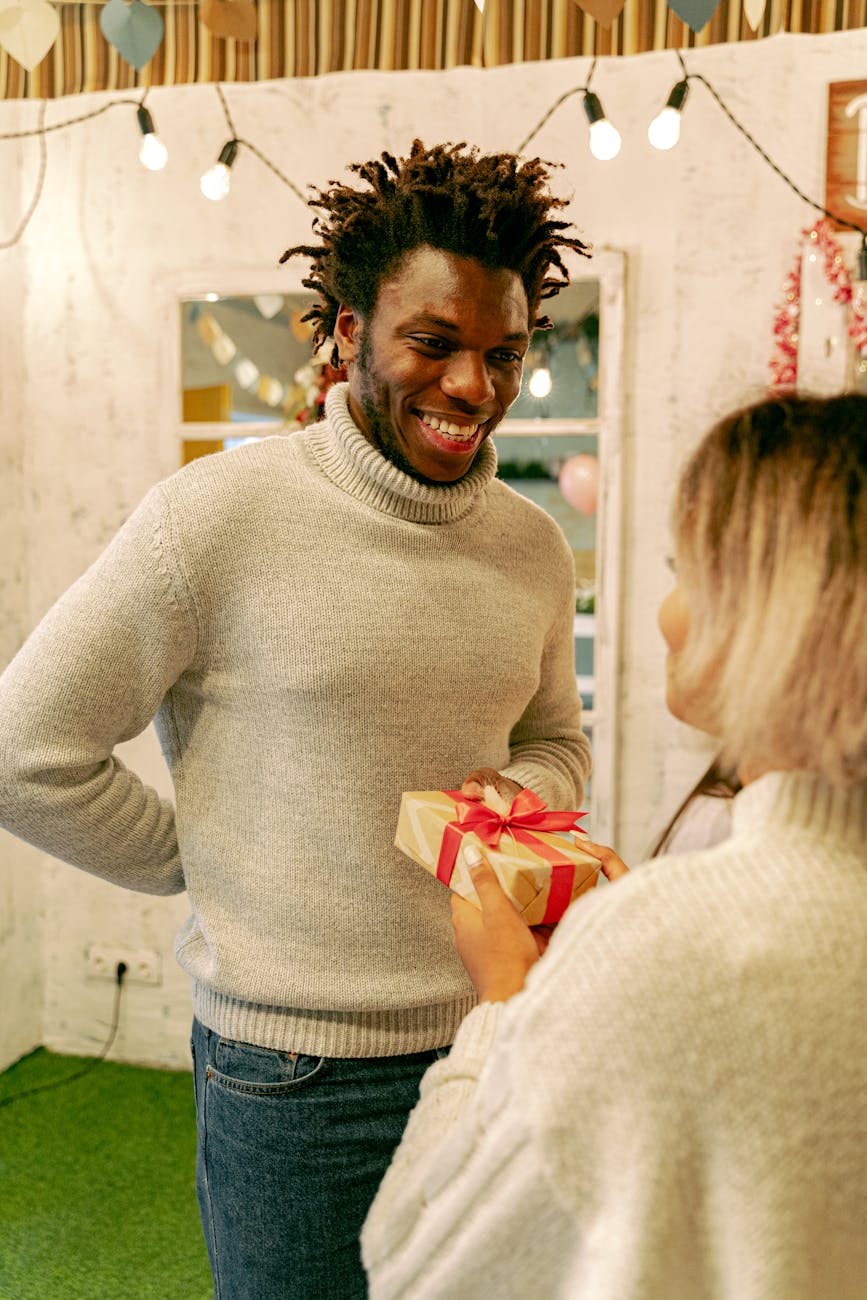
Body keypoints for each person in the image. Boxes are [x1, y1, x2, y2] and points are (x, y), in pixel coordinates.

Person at [0, 141, 592, 1298]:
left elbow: (557, 742)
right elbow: (25, 747)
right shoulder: (212, 520)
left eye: (504, 353)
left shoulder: (532, 545)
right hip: (291, 1080)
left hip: (493, 1034)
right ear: (342, 330)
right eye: (434, 344)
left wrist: (508, 808)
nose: (475, 386)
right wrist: (192, 856)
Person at [361, 392, 867, 1299]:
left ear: (772, 612)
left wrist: (509, 1003)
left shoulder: (670, 939)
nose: (668, 613)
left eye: (686, 571)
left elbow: (415, 1259)